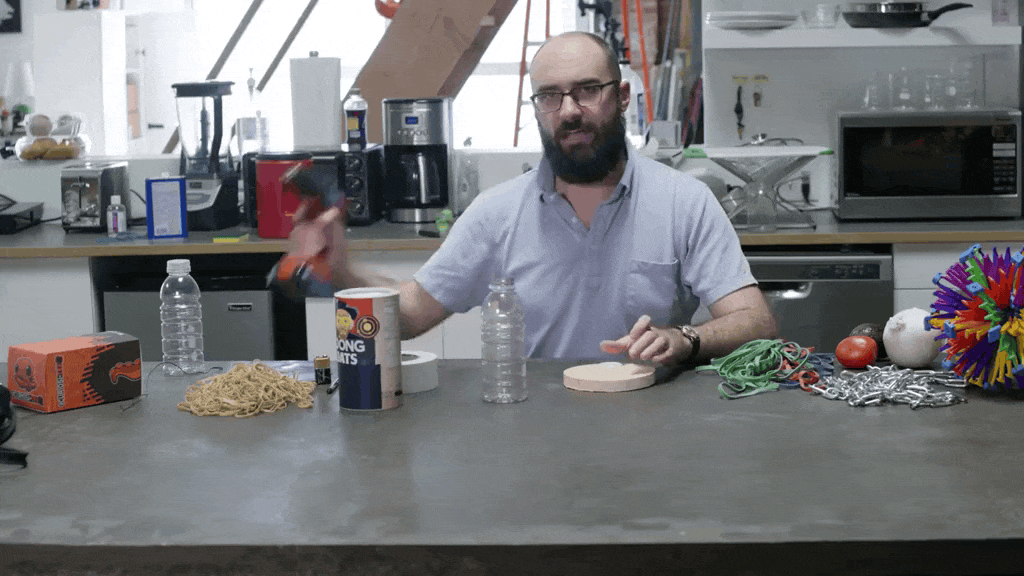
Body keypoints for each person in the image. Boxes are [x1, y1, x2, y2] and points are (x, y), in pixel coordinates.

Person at [283, 31, 777, 366]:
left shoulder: (684, 202)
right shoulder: (496, 214)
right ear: (537, 108)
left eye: (588, 90)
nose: (570, 111)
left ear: (623, 96)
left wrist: (685, 339)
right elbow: (411, 315)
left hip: (655, 425)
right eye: (550, 96)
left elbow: (757, 323)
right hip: (532, 430)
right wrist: (342, 271)